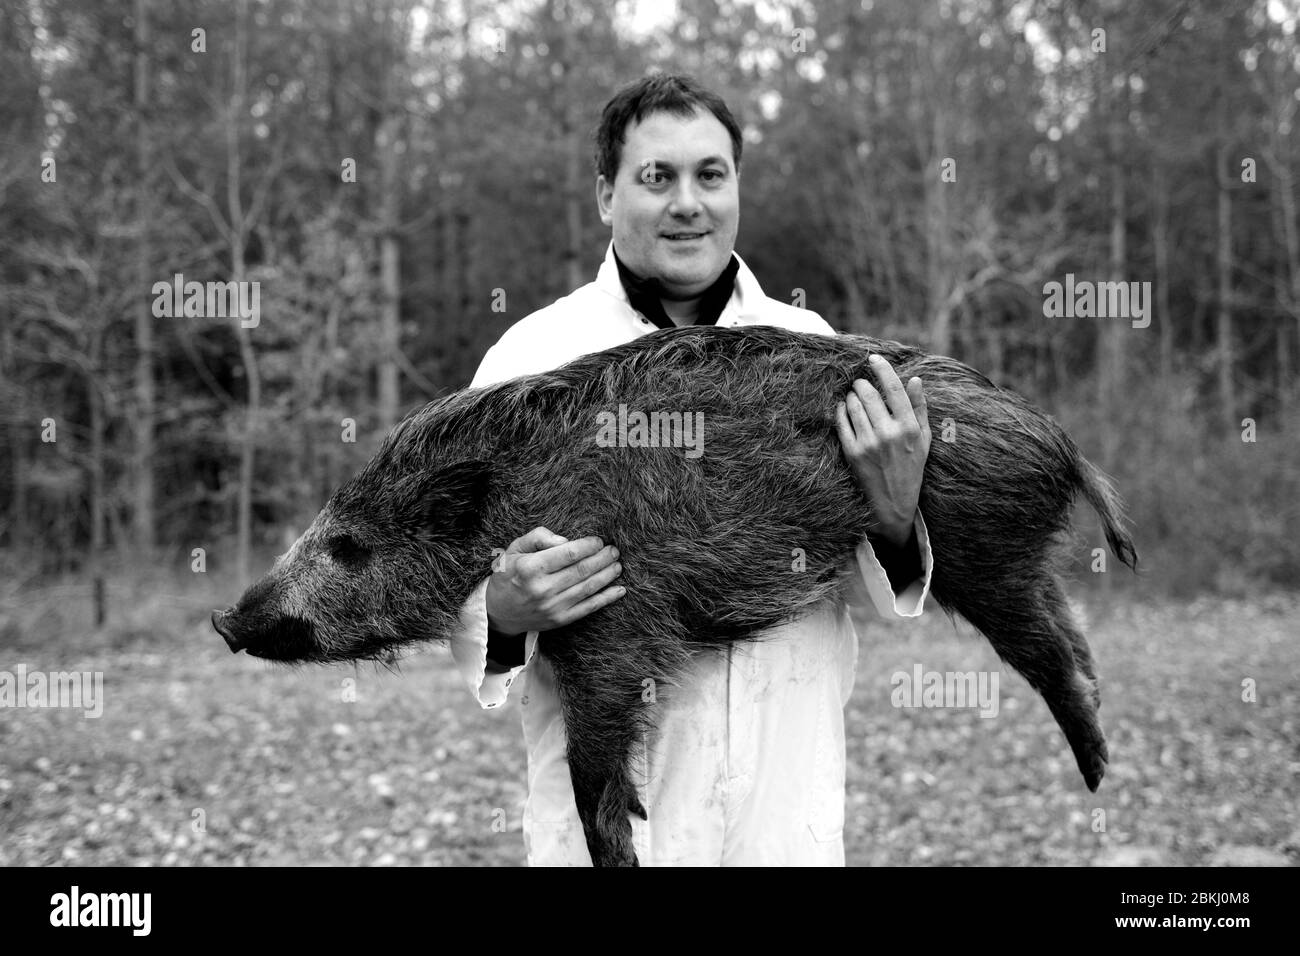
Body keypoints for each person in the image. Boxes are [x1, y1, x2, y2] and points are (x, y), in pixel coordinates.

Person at [447, 73, 933, 866]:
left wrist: (895, 515)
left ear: (736, 186)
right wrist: (501, 606)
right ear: (606, 195)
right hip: (615, 833)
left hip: (783, 816)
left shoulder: (815, 348)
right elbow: (459, 590)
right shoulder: (529, 363)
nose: (688, 203)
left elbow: (878, 592)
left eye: (711, 174)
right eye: (656, 178)